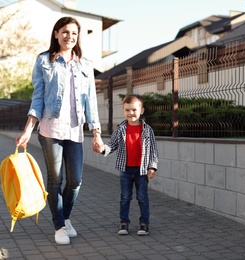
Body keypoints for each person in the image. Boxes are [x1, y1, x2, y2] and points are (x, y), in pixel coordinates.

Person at [15, 16, 104, 245]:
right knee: (55, 179)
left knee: (75, 181)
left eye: (74, 33)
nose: (70, 37)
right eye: (65, 32)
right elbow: (38, 98)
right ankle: (59, 225)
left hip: (75, 130)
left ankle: (64, 217)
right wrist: (28, 130)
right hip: (50, 128)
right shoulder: (44, 61)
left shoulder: (85, 64)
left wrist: (96, 133)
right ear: (56, 33)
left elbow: (90, 101)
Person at [97, 94, 158, 236]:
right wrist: (102, 149)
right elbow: (112, 145)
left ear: (141, 110)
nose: (131, 113)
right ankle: (124, 223)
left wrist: (152, 167)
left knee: (142, 197)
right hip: (125, 170)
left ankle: (144, 224)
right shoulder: (120, 129)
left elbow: (153, 150)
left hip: (142, 170)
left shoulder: (147, 130)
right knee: (125, 197)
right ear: (123, 111)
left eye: (134, 110)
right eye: (127, 110)